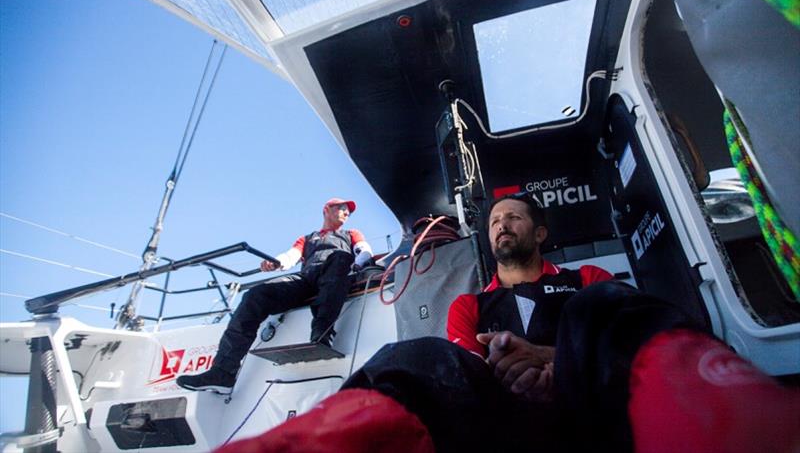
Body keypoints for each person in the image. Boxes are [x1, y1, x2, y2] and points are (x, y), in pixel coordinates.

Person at [215, 194, 800, 452]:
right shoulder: (468, 307)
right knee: (414, 360)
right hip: (509, 431)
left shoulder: (588, 280)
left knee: (608, 308)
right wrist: (509, 369)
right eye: (495, 220)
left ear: (539, 233)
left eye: (514, 217)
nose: (501, 226)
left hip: (604, 415)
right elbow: (467, 369)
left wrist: (552, 362)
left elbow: (614, 341)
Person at [176, 198, 373, 395]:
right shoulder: (307, 238)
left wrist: (359, 264)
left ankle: (321, 334)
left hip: (335, 275)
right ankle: (222, 372)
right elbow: (290, 256)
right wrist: (276, 263)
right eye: (342, 208)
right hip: (307, 279)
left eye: (348, 211)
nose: (346, 213)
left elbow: (363, 251)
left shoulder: (351, 234)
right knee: (254, 296)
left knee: (341, 257)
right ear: (327, 209)